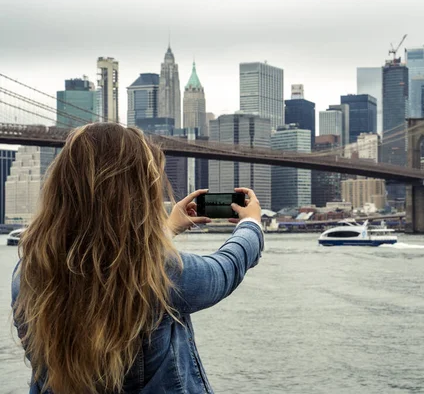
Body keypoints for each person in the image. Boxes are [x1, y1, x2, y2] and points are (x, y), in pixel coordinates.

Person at [11, 122, 264, 394]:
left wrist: (169, 229)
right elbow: (224, 269)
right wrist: (251, 225)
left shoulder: (29, 271)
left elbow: (105, 260)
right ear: (136, 194)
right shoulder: (159, 274)